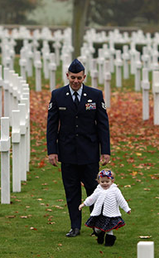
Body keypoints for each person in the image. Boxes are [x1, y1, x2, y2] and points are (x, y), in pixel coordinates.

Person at [47, 58, 110, 238]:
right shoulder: (58, 95)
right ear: (67, 76)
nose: (75, 81)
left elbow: (103, 125)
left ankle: (96, 226)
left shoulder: (95, 95)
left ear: (84, 77)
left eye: (79, 78)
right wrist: (52, 151)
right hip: (67, 152)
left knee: (93, 189)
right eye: (73, 77)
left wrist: (105, 150)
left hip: (89, 151)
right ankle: (75, 226)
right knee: (72, 191)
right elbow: (52, 125)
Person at [79, 169, 131, 247]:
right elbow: (92, 198)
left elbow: (121, 200)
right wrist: (84, 204)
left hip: (110, 213)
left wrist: (126, 209)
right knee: (97, 229)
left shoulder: (115, 190)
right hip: (99, 212)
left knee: (109, 228)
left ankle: (109, 241)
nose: (105, 184)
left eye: (107, 182)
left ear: (112, 181)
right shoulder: (98, 190)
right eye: (102, 182)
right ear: (98, 181)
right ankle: (100, 234)